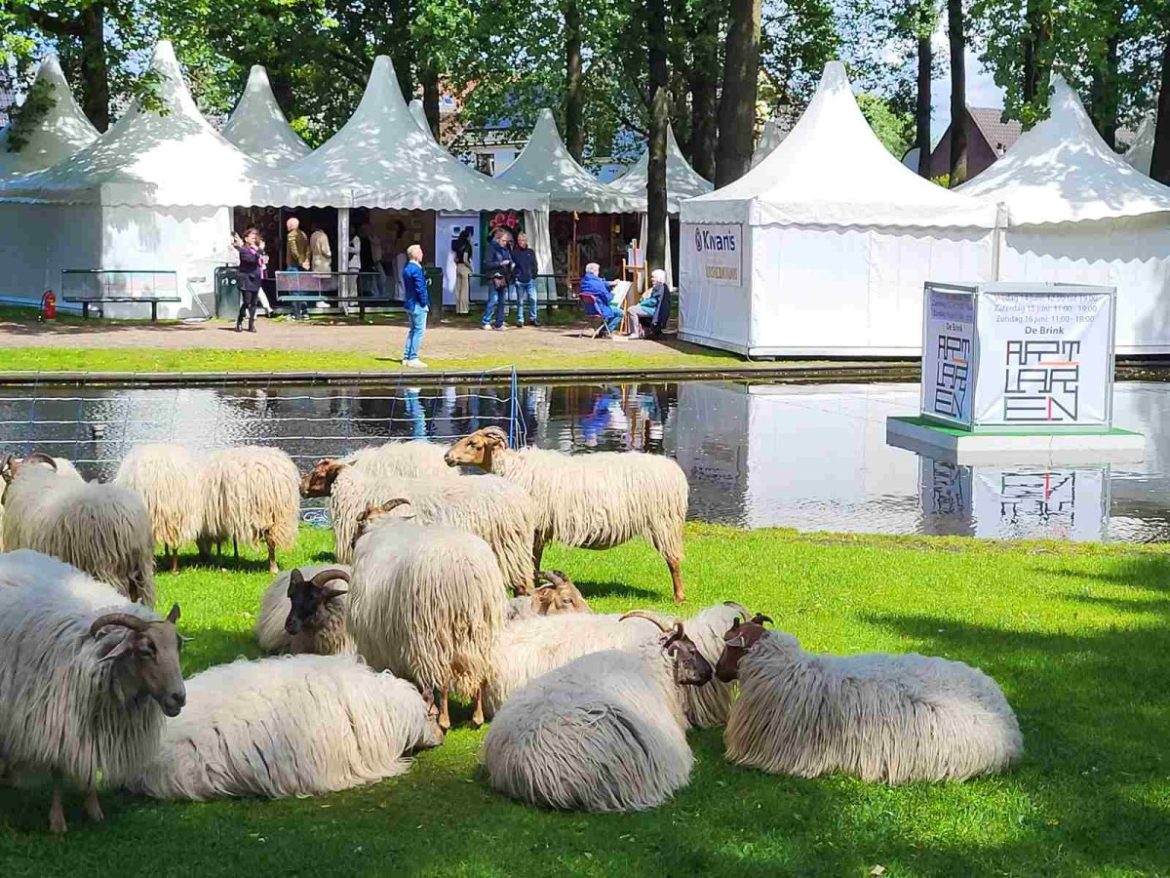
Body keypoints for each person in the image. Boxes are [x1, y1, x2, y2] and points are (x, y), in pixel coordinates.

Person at [402, 243, 429, 368]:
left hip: (409, 303)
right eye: (421, 252)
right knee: (419, 331)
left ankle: (406, 356)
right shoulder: (417, 269)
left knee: (412, 330)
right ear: (417, 255)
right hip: (417, 304)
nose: (422, 254)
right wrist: (424, 302)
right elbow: (420, 289)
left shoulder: (407, 268)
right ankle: (413, 357)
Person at [231, 227, 262, 333]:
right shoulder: (243, 249)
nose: (254, 239)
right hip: (246, 278)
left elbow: (263, 258)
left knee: (254, 302)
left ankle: (251, 324)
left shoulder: (256, 249)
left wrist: (261, 253)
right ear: (246, 238)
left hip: (256, 277)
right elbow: (251, 260)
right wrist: (260, 251)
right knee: (246, 302)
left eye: (255, 237)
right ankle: (239, 321)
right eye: (252, 237)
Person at [481, 227, 511, 331]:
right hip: (493, 277)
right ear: (497, 239)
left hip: (503, 277)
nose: (505, 243)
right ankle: (486, 321)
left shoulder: (506, 249)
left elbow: (509, 260)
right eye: (503, 240)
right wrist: (500, 263)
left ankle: (499, 323)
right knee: (493, 299)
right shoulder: (491, 248)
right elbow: (487, 264)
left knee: (502, 301)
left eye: (506, 241)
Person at [580, 262, 624, 334]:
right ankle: (606, 331)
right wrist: (613, 294)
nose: (598, 273)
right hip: (600, 309)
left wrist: (610, 283)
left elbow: (600, 283)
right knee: (620, 313)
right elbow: (608, 298)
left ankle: (603, 330)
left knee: (611, 311)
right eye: (598, 271)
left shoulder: (584, 281)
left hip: (589, 309)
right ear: (594, 271)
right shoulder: (598, 284)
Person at [510, 231, 539, 327]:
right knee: (520, 301)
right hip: (520, 280)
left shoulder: (531, 252)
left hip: (530, 280)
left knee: (533, 299)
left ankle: (533, 318)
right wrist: (515, 276)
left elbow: (534, 264)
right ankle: (520, 319)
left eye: (523, 240)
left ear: (526, 241)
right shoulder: (515, 253)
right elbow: (513, 266)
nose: (521, 242)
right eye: (519, 240)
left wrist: (534, 275)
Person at [285, 216, 310, 319]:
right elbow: (308, 249)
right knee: (302, 289)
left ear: (290, 225)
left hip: (294, 265)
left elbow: (294, 250)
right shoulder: (303, 234)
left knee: (294, 289)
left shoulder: (291, 235)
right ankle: (304, 312)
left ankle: (296, 313)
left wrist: (300, 261)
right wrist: (306, 261)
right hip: (303, 265)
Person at [628, 267, 667, 334]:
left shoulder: (659, 287)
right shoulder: (662, 287)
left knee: (631, 310)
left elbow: (653, 301)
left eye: (653, 277)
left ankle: (635, 332)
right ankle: (640, 331)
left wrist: (642, 303)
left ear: (658, 278)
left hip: (656, 310)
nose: (651, 279)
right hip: (658, 309)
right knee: (634, 308)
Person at [453, 227, 473, 315]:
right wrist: (470, 267)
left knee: (458, 289)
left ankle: (458, 309)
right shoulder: (467, 246)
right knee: (465, 290)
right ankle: (464, 310)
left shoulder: (458, 245)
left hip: (458, 267)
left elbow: (455, 259)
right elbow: (465, 259)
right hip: (465, 267)